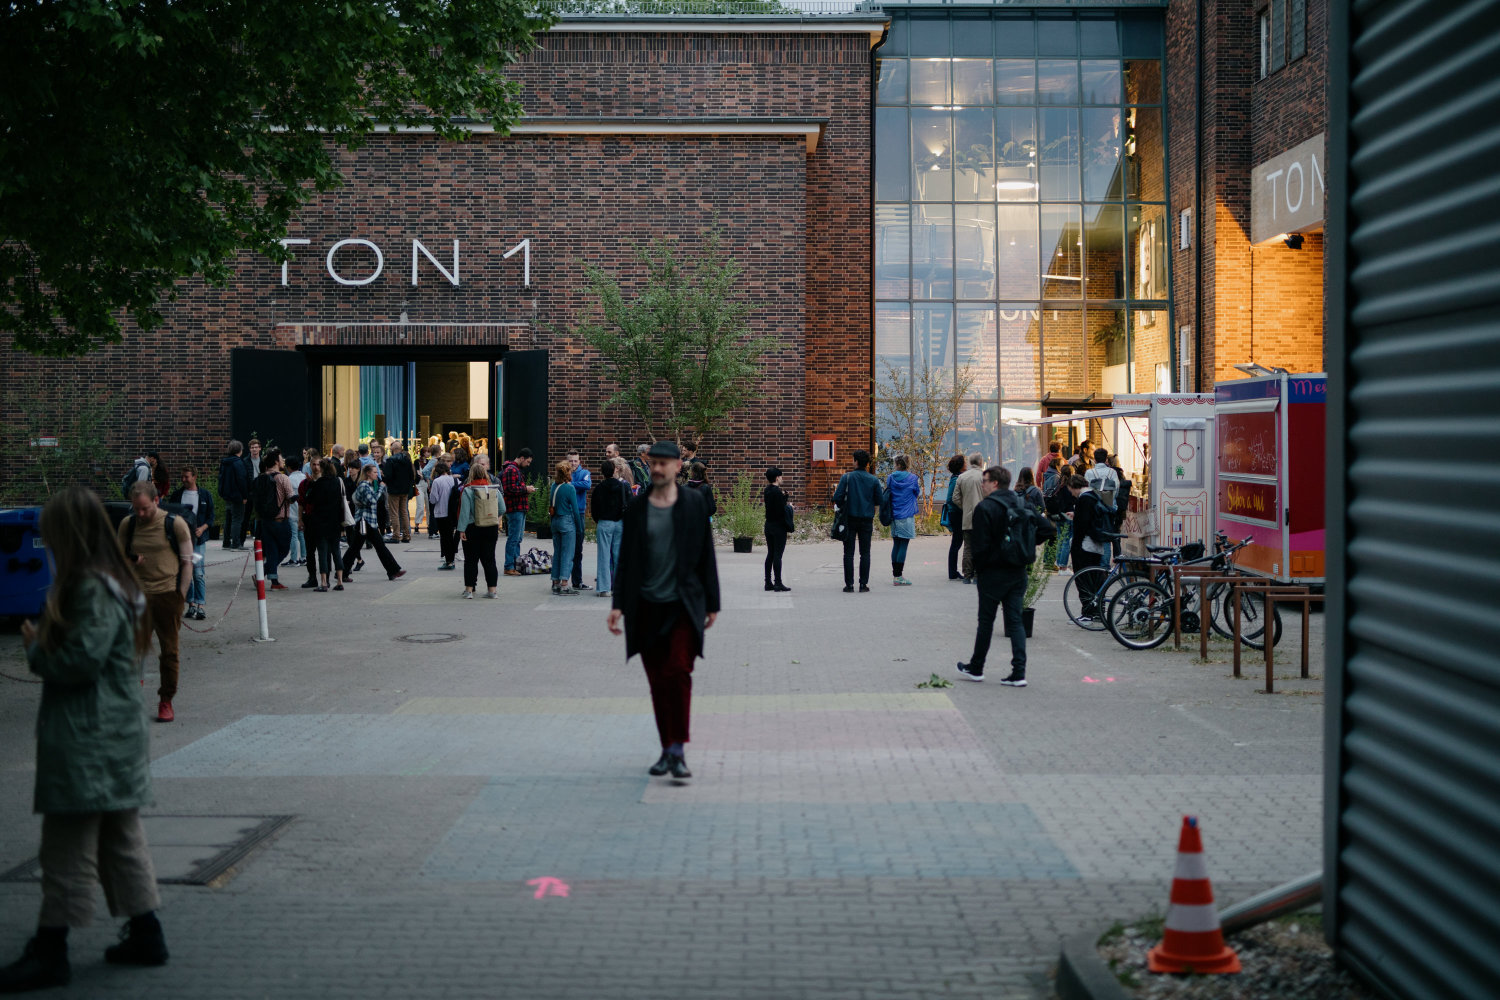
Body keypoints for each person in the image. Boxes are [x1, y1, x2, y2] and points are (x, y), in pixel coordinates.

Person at [0, 489, 169, 993]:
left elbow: (79, 662)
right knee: (121, 839)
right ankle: (146, 931)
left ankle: (51, 949)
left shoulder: (90, 588)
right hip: (117, 733)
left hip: (87, 736)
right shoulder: (119, 584)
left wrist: (37, 651)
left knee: (66, 847)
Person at [607, 441, 720, 781]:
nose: (656, 469)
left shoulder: (693, 504)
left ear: (678, 467)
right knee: (658, 680)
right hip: (646, 606)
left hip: (683, 606)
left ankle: (678, 749)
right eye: (653, 463)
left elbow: (706, 554)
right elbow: (626, 561)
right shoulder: (638, 507)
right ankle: (666, 746)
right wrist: (618, 605)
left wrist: (713, 603)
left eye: (663, 464)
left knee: (678, 672)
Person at [956, 466, 1056, 686]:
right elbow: (1048, 529)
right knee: (1015, 622)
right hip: (1018, 571)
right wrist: (1027, 545)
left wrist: (980, 570)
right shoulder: (1022, 503)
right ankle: (1019, 673)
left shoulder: (985, 508)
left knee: (986, 622)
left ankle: (977, 667)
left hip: (992, 573)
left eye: (985, 480)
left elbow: (979, 547)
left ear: (994, 483)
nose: (982, 484)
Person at [116, 481, 192, 723]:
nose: (140, 514)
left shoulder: (174, 524)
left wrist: (181, 595)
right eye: (136, 509)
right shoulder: (128, 525)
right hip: (136, 597)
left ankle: (166, 700)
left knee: (169, 652)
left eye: (145, 509)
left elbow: (187, 561)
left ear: (156, 501)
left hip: (167, 595)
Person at [832, 449, 883, 593]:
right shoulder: (873, 480)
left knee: (848, 553)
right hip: (866, 519)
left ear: (856, 461)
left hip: (849, 518)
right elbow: (879, 500)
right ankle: (863, 584)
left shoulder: (847, 477)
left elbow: (838, 497)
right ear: (867, 463)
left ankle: (849, 585)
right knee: (865, 552)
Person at [344, 464, 406, 582]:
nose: (377, 474)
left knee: (369, 547)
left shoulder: (370, 485)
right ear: (368, 473)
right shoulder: (364, 486)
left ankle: (393, 570)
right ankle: (342, 571)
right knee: (358, 547)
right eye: (374, 472)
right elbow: (372, 501)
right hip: (364, 521)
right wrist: (381, 488)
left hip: (369, 521)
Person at [167, 468, 214, 622]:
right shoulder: (177, 495)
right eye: (182, 476)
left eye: (186, 477)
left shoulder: (205, 495)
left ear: (194, 477)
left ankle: (201, 606)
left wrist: (203, 528)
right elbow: (170, 515)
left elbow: (210, 517)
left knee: (198, 573)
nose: (183, 479)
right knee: (184, 572)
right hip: (181, 540)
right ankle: (191, 603)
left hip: (198, 541)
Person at [1067, 474, 1117, 615]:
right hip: (1096, 545)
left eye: (1071, 490)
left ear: (1073, 487)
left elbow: (1082, 526)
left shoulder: (1084, 499)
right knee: (1095, 579)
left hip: (1085, 545)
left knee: (1084, 581)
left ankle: (1088, 612)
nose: (1071, 494)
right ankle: (1098, 611)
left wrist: (1075, 546)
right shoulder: (1095, 496)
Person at [456, 458, 503, 599]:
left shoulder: (468, 490)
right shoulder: (493, 488)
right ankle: (492, 591)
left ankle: (469, 590)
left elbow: (464, 512)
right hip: (490, 527)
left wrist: (461, 530)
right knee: (489, 559)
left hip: (472, 527)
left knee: (471, 560)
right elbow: (503, 508)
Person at [251, 450, 293, 591]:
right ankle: (261, 574)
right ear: (276, 462)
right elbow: (290, 497)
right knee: (284, 550)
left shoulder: (259, 478)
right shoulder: (283, 478)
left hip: (264, 521)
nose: (283, 461)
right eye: (281, 459)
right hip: (280, 520)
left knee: (272, 551)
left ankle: (274, 581)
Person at [306, 459, 347, 592]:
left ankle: (324, 582)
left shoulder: (319, 484)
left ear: (322, 469)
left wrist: (311, 484)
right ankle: (340, 581)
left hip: (320, 522)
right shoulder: (337, 482)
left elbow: (309, 499)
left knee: (323, 552)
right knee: (336, 551)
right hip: (335, 522)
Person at [591, 458, 629, 598]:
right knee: (619, 555)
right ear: (614, 470)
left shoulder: (599, 488)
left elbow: (594, 509)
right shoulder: (623, 487)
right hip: (619, 522)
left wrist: (599, 520)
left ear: (602, 472)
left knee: (604, 555)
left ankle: (604, 588)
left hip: (604, 522)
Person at [499, 447, 536, 576]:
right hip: (515, 508)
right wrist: (526, 489)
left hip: (518, 508)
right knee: (514, 538)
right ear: (521, 458)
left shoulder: (514, 469)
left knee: (517, 538)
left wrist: (525, 489)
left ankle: (515, 564)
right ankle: (509, 566)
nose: (528, 464)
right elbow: (509, 489)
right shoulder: (511, 470)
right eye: (528, 462)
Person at [885, 455, 921, 585]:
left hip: (894, 514)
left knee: (896, 544)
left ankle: (895, 574)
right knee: (903, 545)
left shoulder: (890, 478)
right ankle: (898, 577)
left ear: (896, 464)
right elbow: (916, 493)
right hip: (906, 515)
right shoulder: (912, 478)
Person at [548, 460, 580, 596]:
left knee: (558, 553)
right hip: (566, 521)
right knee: (568, 553)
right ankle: (565, 585)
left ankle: (555, 582)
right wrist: (579, 527)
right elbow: (576, 510)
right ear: (568, 472)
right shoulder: (569, 488)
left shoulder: (554, 486)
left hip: (555, 521)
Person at [955, 452, 986, 583]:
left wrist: (965, 507)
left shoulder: (962, 477)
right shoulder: (985, 477)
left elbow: (955, 497)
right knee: (981, 546)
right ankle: (978, 576)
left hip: (967, 517)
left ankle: (967, 575)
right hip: (983, 518)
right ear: (980, 462)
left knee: (968, 547)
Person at [762, 467, 791, 593]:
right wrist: (788, 504)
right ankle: (778, 583)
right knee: (778, 555)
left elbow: (773, 507)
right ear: (777, 478)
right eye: (781, 476)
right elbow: (780, 510)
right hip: (778, 527)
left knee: (770, 554)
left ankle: (768, 582)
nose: (782, 478)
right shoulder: (777, 492)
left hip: (768, 525)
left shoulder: (767, 490)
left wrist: (783, 498)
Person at [217, 440, 249, 549]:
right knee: (237, 519)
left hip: (227, 494)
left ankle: (226, 542)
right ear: (239, 450)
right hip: (237, 495)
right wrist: (245, 496)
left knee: (228, 518)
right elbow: (242, 480)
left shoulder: (225, 462)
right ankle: (236, 543)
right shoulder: (238, 463)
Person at [382, 441, 416, 544]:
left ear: (392, 449)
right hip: (404, 490)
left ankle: (396, 535)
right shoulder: (407, 460)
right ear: (401, 449)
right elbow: (411, 475)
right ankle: (406, 535)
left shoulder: (390, 460)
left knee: (394, 512)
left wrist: (383, 477)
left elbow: (388, 476)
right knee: (404, 512)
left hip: (394, 490)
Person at [567, 449, 592, 590]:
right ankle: (561, 581)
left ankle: (577, 581)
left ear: (579, 461)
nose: (573, 463)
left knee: (578, 549)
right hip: (566, 513)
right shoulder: (565, 473)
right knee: (566, 549)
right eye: (570, 460)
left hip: (580, 513)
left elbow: (587, 485)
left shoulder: (585, 473)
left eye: (575, 460)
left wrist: (570, 485)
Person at [428, 461, 457, 571]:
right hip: (453, 512)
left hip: (441, 512)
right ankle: (451, 559)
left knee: (445, 537)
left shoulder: (437, 481)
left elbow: (433, 499)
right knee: (450, 535)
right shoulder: (454, 479)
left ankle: (449, 560)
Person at [1049, 463, 1077, 571]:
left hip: (1060, 515)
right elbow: (1072, 500)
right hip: (1068, 515)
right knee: (1066, 540)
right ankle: (1063, 565)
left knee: (1061, 539)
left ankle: (1059, 562)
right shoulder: (1069, 487)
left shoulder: (1059, 485)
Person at [942, 454, 966, 581]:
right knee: (956, 542)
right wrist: (963, 507)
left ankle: (953, 571)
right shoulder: (956, 479)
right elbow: (951, 499)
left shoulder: (956, 478)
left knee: (956, 542)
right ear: (961, 466)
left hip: (955, 513)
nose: (966, 465)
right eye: (965, 463)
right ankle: (952, 571)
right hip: (956, 513)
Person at [285, 459, 307, 567]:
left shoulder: (289, 479)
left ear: (289, 467)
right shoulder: (304, 477)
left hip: (292, 510)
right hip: (302, 510)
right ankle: (304, 557)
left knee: (293, 535)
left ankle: (294, 558)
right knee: (301, 534)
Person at [241, 438, 262, 544]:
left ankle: (259, 539)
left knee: (260, 517)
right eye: (252, 447)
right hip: (249, 491)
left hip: (260, 491)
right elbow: (244, 479)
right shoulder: (245, 461)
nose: (254, 449)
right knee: (246, 517)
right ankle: (241, 540)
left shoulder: (263, 460)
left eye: (256, 447)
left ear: (260, 448)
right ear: (249, 449)